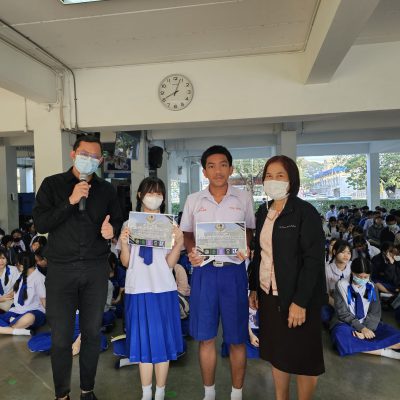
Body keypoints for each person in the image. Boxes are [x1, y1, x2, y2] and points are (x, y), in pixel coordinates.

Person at [32, 135, 123, 400]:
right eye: (85, 154)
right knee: (61, 337)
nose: (89, 160)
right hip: (61, 271)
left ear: (101, 161)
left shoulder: (106, 190)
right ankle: (62, 394)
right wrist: (70, 201)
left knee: (92, 334)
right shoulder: (52, 185)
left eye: (95, 157)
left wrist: (112, 230)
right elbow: (42, 224)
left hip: (95, 269)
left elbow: (118, 220)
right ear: (73, 154)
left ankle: (87, 390)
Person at [180, 145, 255, 400]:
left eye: (223, 165)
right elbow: (187, 233)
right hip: (204, 272)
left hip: (234, 272)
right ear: (204, 171)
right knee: (206, 338)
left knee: (237, 339)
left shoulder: (243, 198)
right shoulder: (194, 200)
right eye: (211, 166)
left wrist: (245, 245)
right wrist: (192, 251)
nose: (218, 171)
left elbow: (249, 230)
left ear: (231, 168)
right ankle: (209, 393)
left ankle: (236, 394)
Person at [248, 155, 326, 400]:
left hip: (298, 300)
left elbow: (313, 260)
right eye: (269, 176)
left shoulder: (305, 212)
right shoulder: (263, 211)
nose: (273, 180)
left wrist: (300, 302)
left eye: (280, 175)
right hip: (269, 296)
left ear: (292, 179)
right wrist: (254, 288)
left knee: (304, 358)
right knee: (277, 354)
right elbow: (259, 254)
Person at [119, 177, 183, 400]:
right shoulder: (128, 225)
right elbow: (126, 262)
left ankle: (160, 392)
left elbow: (169, 264)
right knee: (142, 342)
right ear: (140, 195)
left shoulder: (170, 226)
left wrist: (179, 243)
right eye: (150, 192)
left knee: (162, 342)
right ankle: (146, 393)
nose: (154, 197)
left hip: (163, 288)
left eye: (159, 193)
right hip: (137, 289)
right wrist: (123, 242)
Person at [330, 257, 400, 359]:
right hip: (346, 323)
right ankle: (385, 352)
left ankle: (362, 345)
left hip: (368, 323)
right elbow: (343, 313)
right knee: (341, 338)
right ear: (352, 272)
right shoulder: (341, 285)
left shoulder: (372, 286)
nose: (363, 280)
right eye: (359, 276)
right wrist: (361, 328)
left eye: (366, 277)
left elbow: (375, 312)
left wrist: (367, 330)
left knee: (397, 337)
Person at [0, 252, 46, 335]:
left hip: (34, 312)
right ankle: (19, 330)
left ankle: (7, 328)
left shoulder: (39, 278)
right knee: (22, 318)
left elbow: (44, 301)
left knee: (28, 318)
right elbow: (13, 294)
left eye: (17, 263)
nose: (15, 265)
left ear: (21, 265)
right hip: (17, 311)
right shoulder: (21, 275)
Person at [323, 240, 352, 324]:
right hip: (332, 301)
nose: (346, 255)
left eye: (348, 253)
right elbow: (325, 293)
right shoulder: (326, 268)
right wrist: (339, 307)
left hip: (349, 302)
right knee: (324, 317)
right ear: (335, 252)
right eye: (342, 252)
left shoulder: (352, 266)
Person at [0, 249, 21, 313]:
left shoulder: (13, 270)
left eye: (3, 258)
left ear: (7, 259)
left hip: (10, 299)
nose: (1, 261)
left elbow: (19, 285)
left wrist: (13, 293)